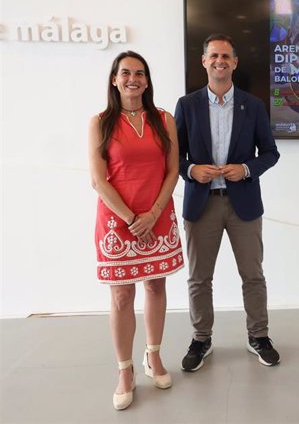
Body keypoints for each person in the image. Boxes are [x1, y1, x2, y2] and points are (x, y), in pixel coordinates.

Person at [175, 33, 281, 371]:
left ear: (235, 63)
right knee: (198, 277)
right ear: (204, 61)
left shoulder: (254, 105)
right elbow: (172, 158)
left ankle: (259, 336)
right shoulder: (187, 105)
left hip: (243, 204)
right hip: (201, 204)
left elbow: (270, 153)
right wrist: (192, 169)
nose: (220, 61)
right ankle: (201, 338)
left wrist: (246, 168)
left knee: (252, 274)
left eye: (226, 56)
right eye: (214, 56)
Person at [88, 51, 183, 410]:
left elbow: (172, 170)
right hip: (118, 220)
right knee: (122, 296)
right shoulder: (100, 122)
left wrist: (154, 212)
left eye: (140, 73)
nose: (133, 79)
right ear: (114, 79)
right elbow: (98, 180)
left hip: (157, 215)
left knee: (156, 285)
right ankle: (125, 370)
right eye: (126, 73)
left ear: (147, 80)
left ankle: (153, 356)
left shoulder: (163, 119)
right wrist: (131, 218)